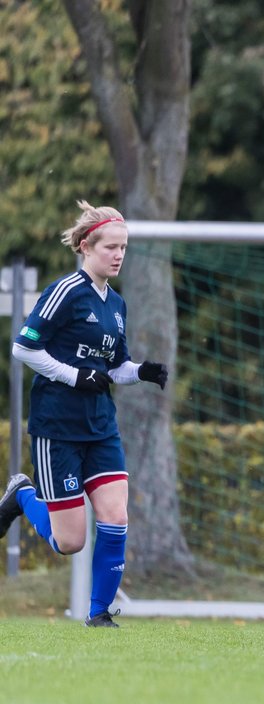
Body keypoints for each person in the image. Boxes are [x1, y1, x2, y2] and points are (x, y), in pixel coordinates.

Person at [0, 200, 169, 628]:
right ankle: (22, 494)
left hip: (101, 426)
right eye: (110, 247)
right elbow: (23, 347)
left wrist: (141, 372)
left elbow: (113, 368)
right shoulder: (65, 292)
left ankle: (99, 615)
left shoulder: (117, 305)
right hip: (57, 427)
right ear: (85, 247)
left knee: (115, 516)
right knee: (70, 541)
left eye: (124, 248)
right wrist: (75, 377)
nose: (118, 255)